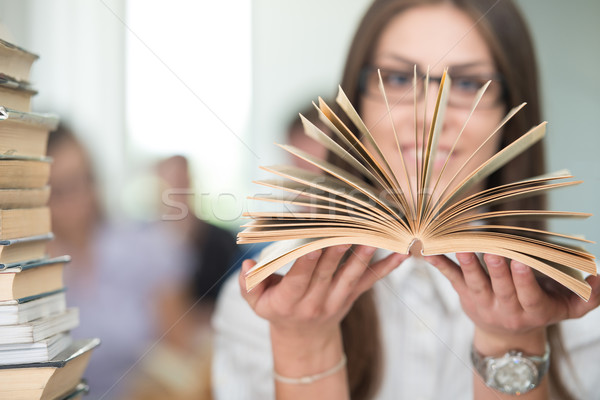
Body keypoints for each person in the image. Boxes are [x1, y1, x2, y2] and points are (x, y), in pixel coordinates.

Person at [211, 1, 600, 399]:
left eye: (468, 85)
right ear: (355, 104)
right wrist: (303, 343)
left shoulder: (579, 305)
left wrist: (512, 343)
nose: (429, 116)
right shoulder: (270, 298)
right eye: (397, 78)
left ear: (512, 117)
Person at [47, 125, 189, 400]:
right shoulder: (23, 273)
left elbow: (180, 351)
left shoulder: (144, 248)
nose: (82, 198)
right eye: (62, 189)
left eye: (87, 179)